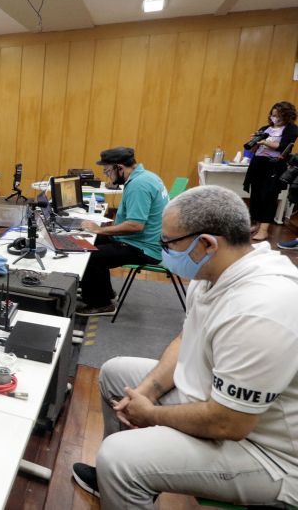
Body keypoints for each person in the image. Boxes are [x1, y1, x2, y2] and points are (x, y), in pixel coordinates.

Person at [72, 185, 298, 509]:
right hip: (216, 401)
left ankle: (122, 477)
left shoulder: (261, 308)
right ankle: (119, 485)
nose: (162, 249)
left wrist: (152, 415)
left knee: (119, 459)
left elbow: (228, 424)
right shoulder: (214, 273)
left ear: (205, 244)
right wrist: (148, 390)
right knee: (115, 373)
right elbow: (186, 339)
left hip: (266, 452)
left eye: (167, 243)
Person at [76, 147, 169, 316]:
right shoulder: (146, 176)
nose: (107, 176)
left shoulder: (138, 185)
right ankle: (103, 292)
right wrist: (101, 231)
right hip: (145, 240)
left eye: (108, 171)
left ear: (120, 168)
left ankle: (102, 304)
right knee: (89, 242)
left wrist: (99, 229)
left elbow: (135, 226)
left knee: (90, 255)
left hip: (145, 248)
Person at [244, 101, 298, 241]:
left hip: (273, 166)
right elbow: (254, 150)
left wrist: (265, 142)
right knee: (255, 194)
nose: (275, 118)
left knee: (268, 196)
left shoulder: (291, 129)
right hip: (258, 164)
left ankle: (264, 229)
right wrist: (254, 143)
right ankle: (255, 224)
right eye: (273, 115)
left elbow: (283, 147)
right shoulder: (265, 128)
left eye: (279, 116)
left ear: (287, 116)